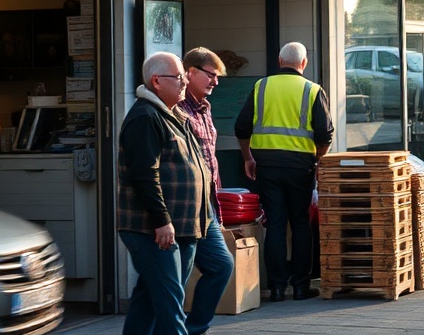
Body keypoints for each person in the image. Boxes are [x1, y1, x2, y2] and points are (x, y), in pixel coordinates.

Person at [118, 52, 212, 335]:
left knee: (149, 298)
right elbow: (144, 174)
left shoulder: (171, 114)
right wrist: (162, 221)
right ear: (157, 81)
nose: (185, 82)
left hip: (182, 227)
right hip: (154, 229)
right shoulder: (145, 117)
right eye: (179, 77)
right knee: (171, 306)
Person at [235, 42, 333, 302]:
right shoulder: (313, 90)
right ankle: (301, 287)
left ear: (279, 61)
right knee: (301, 223)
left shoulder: (261, 86)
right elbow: (325, 134)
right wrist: (318, 160)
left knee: (276, 224)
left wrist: (248, 158)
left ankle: (277, 288)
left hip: (266, 165)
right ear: (304, 63)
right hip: (301, 166)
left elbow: (242, 127)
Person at [179, 48, 234, 334]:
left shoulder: (204, 107)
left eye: (217, 76)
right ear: (190, 73)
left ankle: (194, 328)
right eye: (211, 75)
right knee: (171, 280)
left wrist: (217, 206)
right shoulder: (178, 109)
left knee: (221, 266)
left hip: (207, 207)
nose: (215, 82)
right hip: (185, 206)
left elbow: (210, 160)